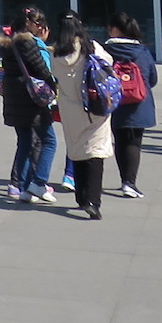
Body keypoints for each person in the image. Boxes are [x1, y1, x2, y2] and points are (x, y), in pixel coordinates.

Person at [50, 14, 115, 219]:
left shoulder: (56, 53)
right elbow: (108, 63)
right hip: (94, 104)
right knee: (95, 152)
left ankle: (81, 197)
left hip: (70, 109)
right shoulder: (91, 47)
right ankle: (93, 202)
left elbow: (54, 76)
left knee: (76, 150)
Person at [0, 7, 58, 204]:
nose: (40, 27)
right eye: (37, 23)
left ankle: (24, 188)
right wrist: (53, 85)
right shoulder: (28, 42)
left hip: (14, 97)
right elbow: (41, 69)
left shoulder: (8, 43)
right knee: (49, 140)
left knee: (24, 142)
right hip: (31, 99)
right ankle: (39, 182)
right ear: (28, 23)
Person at [102, 13, 158, 198]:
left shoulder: (105, 50)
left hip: (113, 102)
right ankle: (130, 183)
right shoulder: (142, 51)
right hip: (139, 102)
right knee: (134, 143)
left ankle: (124, 180)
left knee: (120, 141)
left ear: (115, 29)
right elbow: (152, 78)